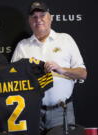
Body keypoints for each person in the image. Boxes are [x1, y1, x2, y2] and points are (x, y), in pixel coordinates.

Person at [11, 1, 87, 135]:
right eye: (34, 17)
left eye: (42, 15)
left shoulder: (65, 40)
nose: (38, 20)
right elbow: (12, 79)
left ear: (50, 18)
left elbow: (83, 73)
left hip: (61, 110)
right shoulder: (22, 46)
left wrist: (61, 69)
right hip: (31, 111)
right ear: (29, 21)